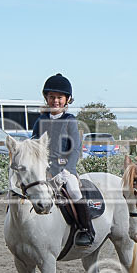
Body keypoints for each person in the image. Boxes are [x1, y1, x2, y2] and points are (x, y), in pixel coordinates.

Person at [31, 73, 93, 246]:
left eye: (59, 97)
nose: (55, 101)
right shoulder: (40, 120)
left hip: (65, 170)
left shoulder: (69, 120)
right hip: (42, 170)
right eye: (52, 97)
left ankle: (86, 229)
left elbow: (75, 150)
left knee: (73, 190)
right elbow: (34, 146)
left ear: (67, 100)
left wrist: (66, 170)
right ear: (46, 98)